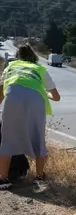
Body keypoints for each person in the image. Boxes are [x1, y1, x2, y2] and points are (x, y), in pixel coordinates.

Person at [0, 43, 61, 190]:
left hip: (12, 98)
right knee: (37, 137)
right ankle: (39, 177)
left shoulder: (10, 68)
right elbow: (56, 97)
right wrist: (42, 92)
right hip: (35, 101)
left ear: (17, 57)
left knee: (7, 139)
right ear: (34, 57)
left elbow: (1, 93)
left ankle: (3, 179)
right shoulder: (39, 69)